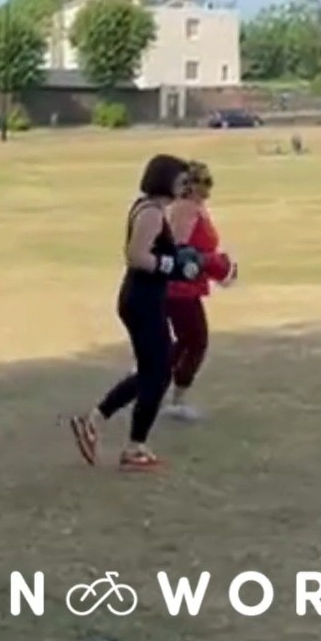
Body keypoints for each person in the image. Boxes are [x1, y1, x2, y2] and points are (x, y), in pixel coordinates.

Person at [70, 153, 200, 472]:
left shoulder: (155, 210)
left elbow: (155, 255)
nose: (185, 187)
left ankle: (95, 423)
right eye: (180, 180)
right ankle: (133, 446)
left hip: (145, 298)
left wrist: (183, 261)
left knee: (151, 370)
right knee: (158, 372)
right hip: (141, 300)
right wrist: (171, 265)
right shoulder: (151, 212)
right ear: (164, 179)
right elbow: (136, 256)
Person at [164, 159, 236, 422]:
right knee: (195, 341)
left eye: (210, 182)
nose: (208, 188)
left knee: (186, 341)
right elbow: (180, 252)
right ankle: (175, 399)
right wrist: (211, 264)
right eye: (203, 182)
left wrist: (218, 268)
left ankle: (147, 380)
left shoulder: (196, 208)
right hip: (178, 288)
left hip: (188, 286)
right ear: (189, 185)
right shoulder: (185, 210)